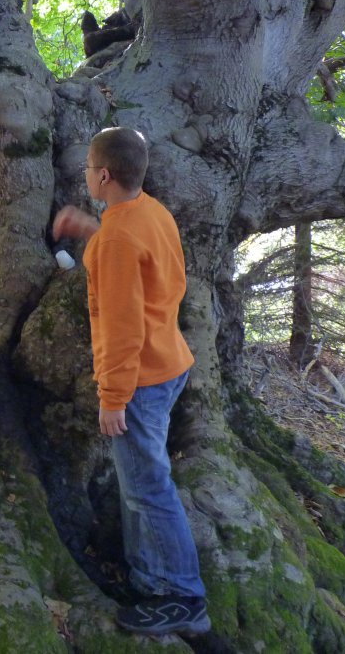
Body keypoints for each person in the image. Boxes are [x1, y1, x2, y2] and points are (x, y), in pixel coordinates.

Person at [51, 127, 210, 636]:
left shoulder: (117, 238)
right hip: (168, 363)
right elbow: (140, 267)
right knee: (141, 483)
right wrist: (93, 232)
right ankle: (150, 578)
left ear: (102, 175)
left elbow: (121, 327)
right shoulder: (150, 212)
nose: (85, 175)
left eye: (87, 169)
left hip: (139, 379)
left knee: (147, 488)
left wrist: (113, 397)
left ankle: (183, 596)